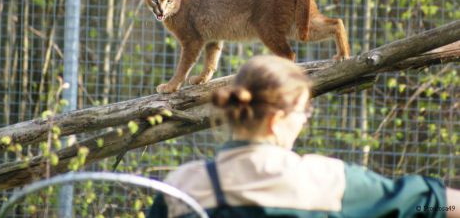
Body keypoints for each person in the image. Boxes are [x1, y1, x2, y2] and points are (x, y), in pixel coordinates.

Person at [148, 55, 460, 218]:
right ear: (275, 120)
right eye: (303, 112)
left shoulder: (182, 186)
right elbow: (425, 204)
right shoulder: (324, 181)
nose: (305, 121)